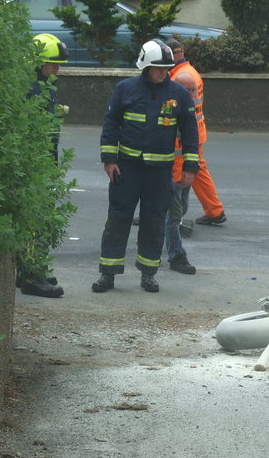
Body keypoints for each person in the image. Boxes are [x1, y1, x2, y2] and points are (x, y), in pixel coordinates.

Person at [92, 39, 199, 294]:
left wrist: (190, 167)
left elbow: (190, 133)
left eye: (166, 68)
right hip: (126, 170)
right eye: (157, 68)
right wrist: (109, 160)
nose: (163, 73)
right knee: (118, 220)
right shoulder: (124, 89)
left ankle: (148, 274)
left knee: (154, 223)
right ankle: (108, 273)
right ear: (145, 66)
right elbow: (110, 124)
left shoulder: (178, 94)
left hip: (160, 173)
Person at [18, 33, 69, 298]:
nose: (57, 69)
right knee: (37, 221)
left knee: (35, 221)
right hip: (36, 165)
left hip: (42, 161)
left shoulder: (43, 85)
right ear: (39, 63)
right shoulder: (33, 89)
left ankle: (26, 270)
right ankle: (32, 275)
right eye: (53, 64)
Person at [166, 39, 227, 227]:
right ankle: (214, 210)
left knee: (182, 173)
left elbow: (176, 112)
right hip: (196, 130)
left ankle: (209, 211)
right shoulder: (190, 72)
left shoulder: (179, 78)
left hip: (184, 135)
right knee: (197, 169)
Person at [164, 72, 199, 275]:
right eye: (189, 90)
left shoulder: (186, 109)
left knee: (178, 211)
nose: (193, 94)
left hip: (182, 173)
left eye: (194, 90)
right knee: (174, 216)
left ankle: (156, 242)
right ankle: (176, 255)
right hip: (171, 174)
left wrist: (191, 168)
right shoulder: (170, 111)